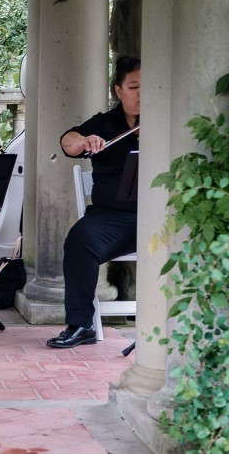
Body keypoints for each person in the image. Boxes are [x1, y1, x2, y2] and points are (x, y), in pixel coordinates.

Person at [46, 55, 141, 349]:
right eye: (134, 86)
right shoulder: (105, 123)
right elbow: (67, 141)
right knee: (79, 241)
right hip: (111, 218)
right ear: (118, 90)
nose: (142, 94)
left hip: (160, 215)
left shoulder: (165, 120)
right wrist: (83, 142)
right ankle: (81, 324)